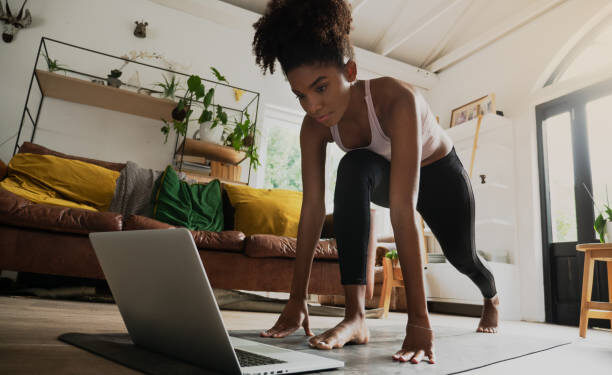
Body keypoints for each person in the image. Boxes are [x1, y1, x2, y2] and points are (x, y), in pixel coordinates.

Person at [251, 0, 499, 364]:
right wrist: (296, 299)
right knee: (352, 167)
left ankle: (490, 295)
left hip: (440, 175)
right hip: (386, 173)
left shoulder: (397, 99)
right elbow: (313, 210)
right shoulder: (313, 128)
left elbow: (402, 210)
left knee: (463, 258)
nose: (313, 106)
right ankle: (355, 317)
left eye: (321, 87)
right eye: (301, 95)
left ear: (350, 71)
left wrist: (419, 321)